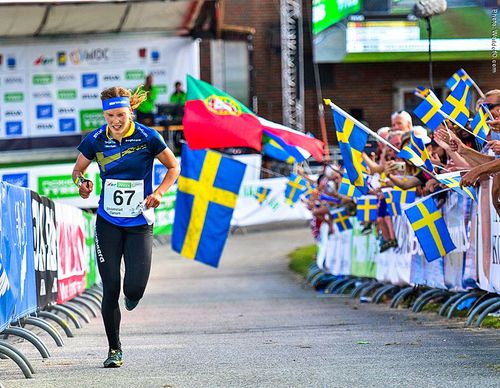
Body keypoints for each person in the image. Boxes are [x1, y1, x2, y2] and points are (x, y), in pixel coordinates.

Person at [71, 86, 180, 368]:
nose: (116, 121)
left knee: (134, 288)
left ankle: (133, 295)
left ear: (130, 111)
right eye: (110, 116)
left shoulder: (147, 137)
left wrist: (159, 192)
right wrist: (81, 184)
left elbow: (173, 167)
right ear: (104, 114)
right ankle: (114, 349)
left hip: (139, 222)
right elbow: (77, 170)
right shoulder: (95, 139)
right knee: (110, 288)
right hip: (107, 221)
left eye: (120, 114)